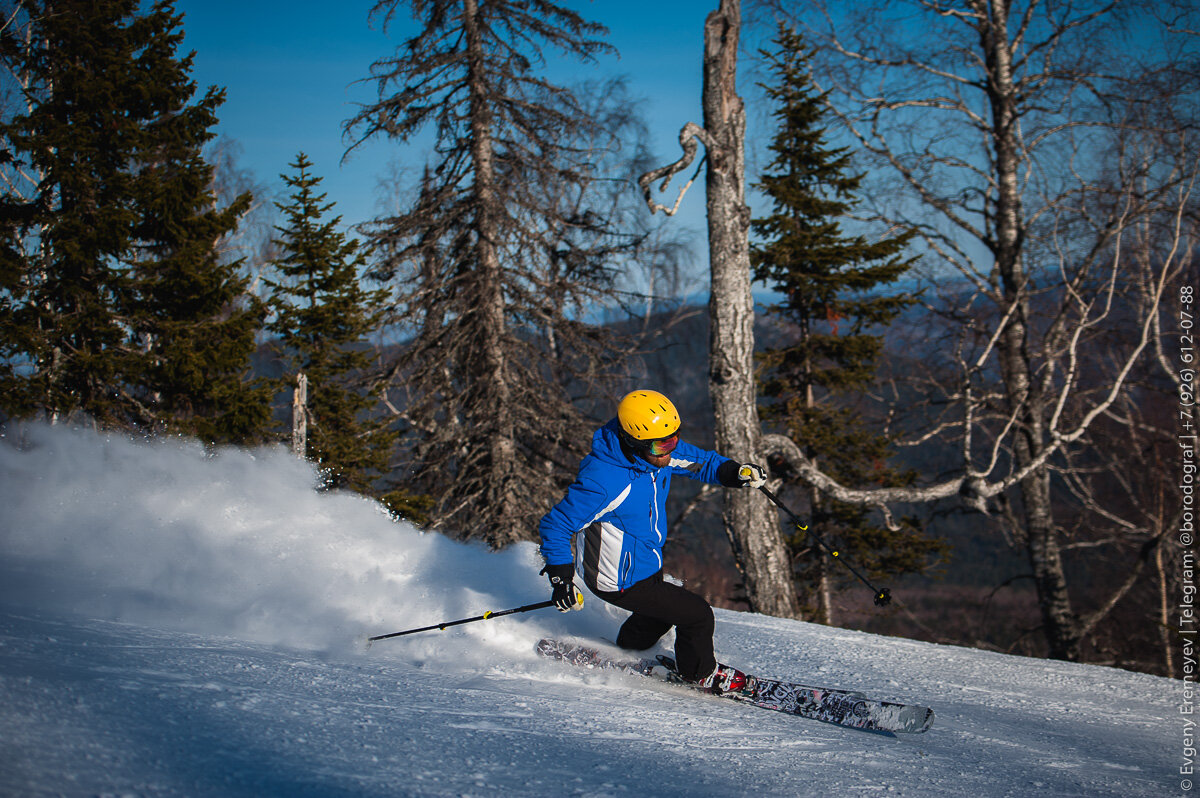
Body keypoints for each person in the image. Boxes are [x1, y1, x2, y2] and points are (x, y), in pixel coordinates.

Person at [537, 389, 767, 689]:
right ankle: (699, 674)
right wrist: (561, 579)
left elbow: (700, 462)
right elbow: (556, 525)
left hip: (643, 563)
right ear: (633, 442)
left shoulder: (654, 454)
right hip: (616, 578)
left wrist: (735, 472)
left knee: (664, 607)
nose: (670, 451)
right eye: (662, 445)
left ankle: (631, 646)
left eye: (673, 439)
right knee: (696, 615)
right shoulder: (604, 481)